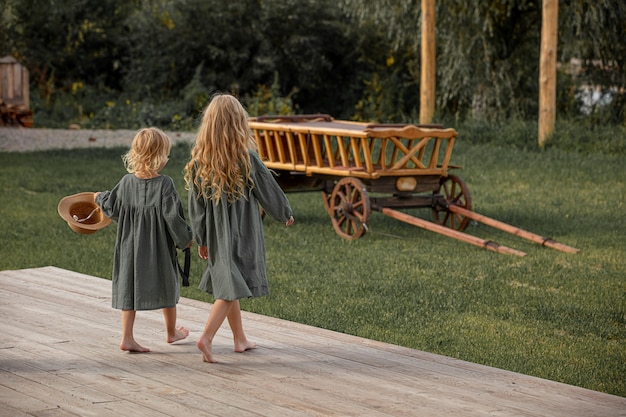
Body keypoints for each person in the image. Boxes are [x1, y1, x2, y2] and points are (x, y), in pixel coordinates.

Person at [184, 94, 294, 363]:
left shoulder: (200, 162)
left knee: (232, 283)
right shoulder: (246, 159)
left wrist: (201, 238)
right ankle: (206, 337)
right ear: (238, 124)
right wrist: (284, 212)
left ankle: (239, 339)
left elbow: (196, 207)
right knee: (231, 286)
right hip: (243, 234)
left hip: (217, 236)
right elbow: (268, 189)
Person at [95, 127, 193, 353]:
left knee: (128, 288)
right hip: (159, 248)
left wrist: (97, 197)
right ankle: (171, 332)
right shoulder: (165, 184)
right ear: (159, 157)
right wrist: (186, 239)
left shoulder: (126, 182)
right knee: (167, 283)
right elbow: (173, 218)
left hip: (130, 248)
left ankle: (127, 337)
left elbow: (112, 207)